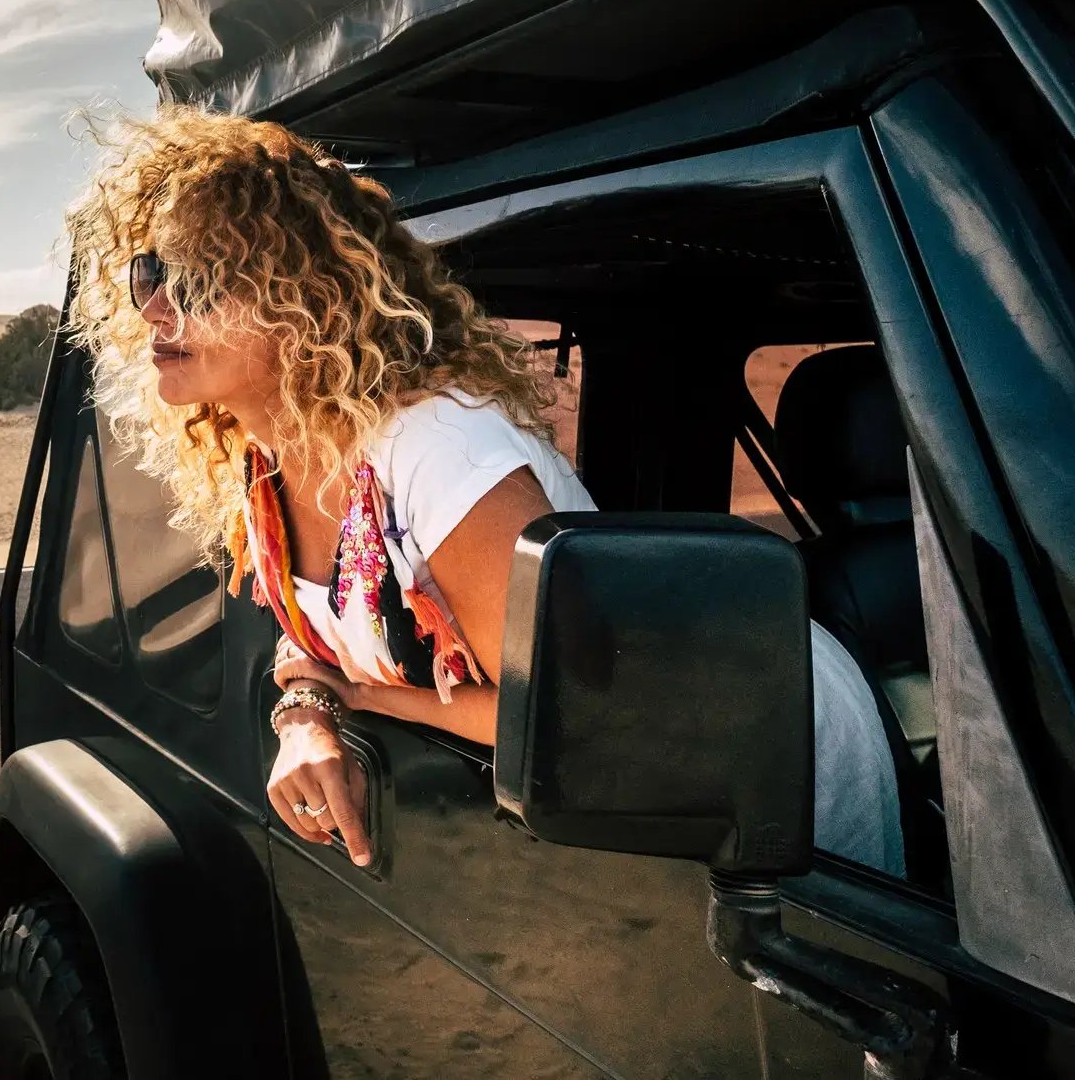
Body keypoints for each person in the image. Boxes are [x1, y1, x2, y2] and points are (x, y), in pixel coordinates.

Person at [61, 105, 904, 879]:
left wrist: (366, 697)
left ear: (301, 299)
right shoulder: (268, 459)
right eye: (149, 274)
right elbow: (313, 637)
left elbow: (571, 719)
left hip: (753, 738)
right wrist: (311, 714)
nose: (157, 308)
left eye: (201, 280)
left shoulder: (434, 447)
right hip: (645, 793)